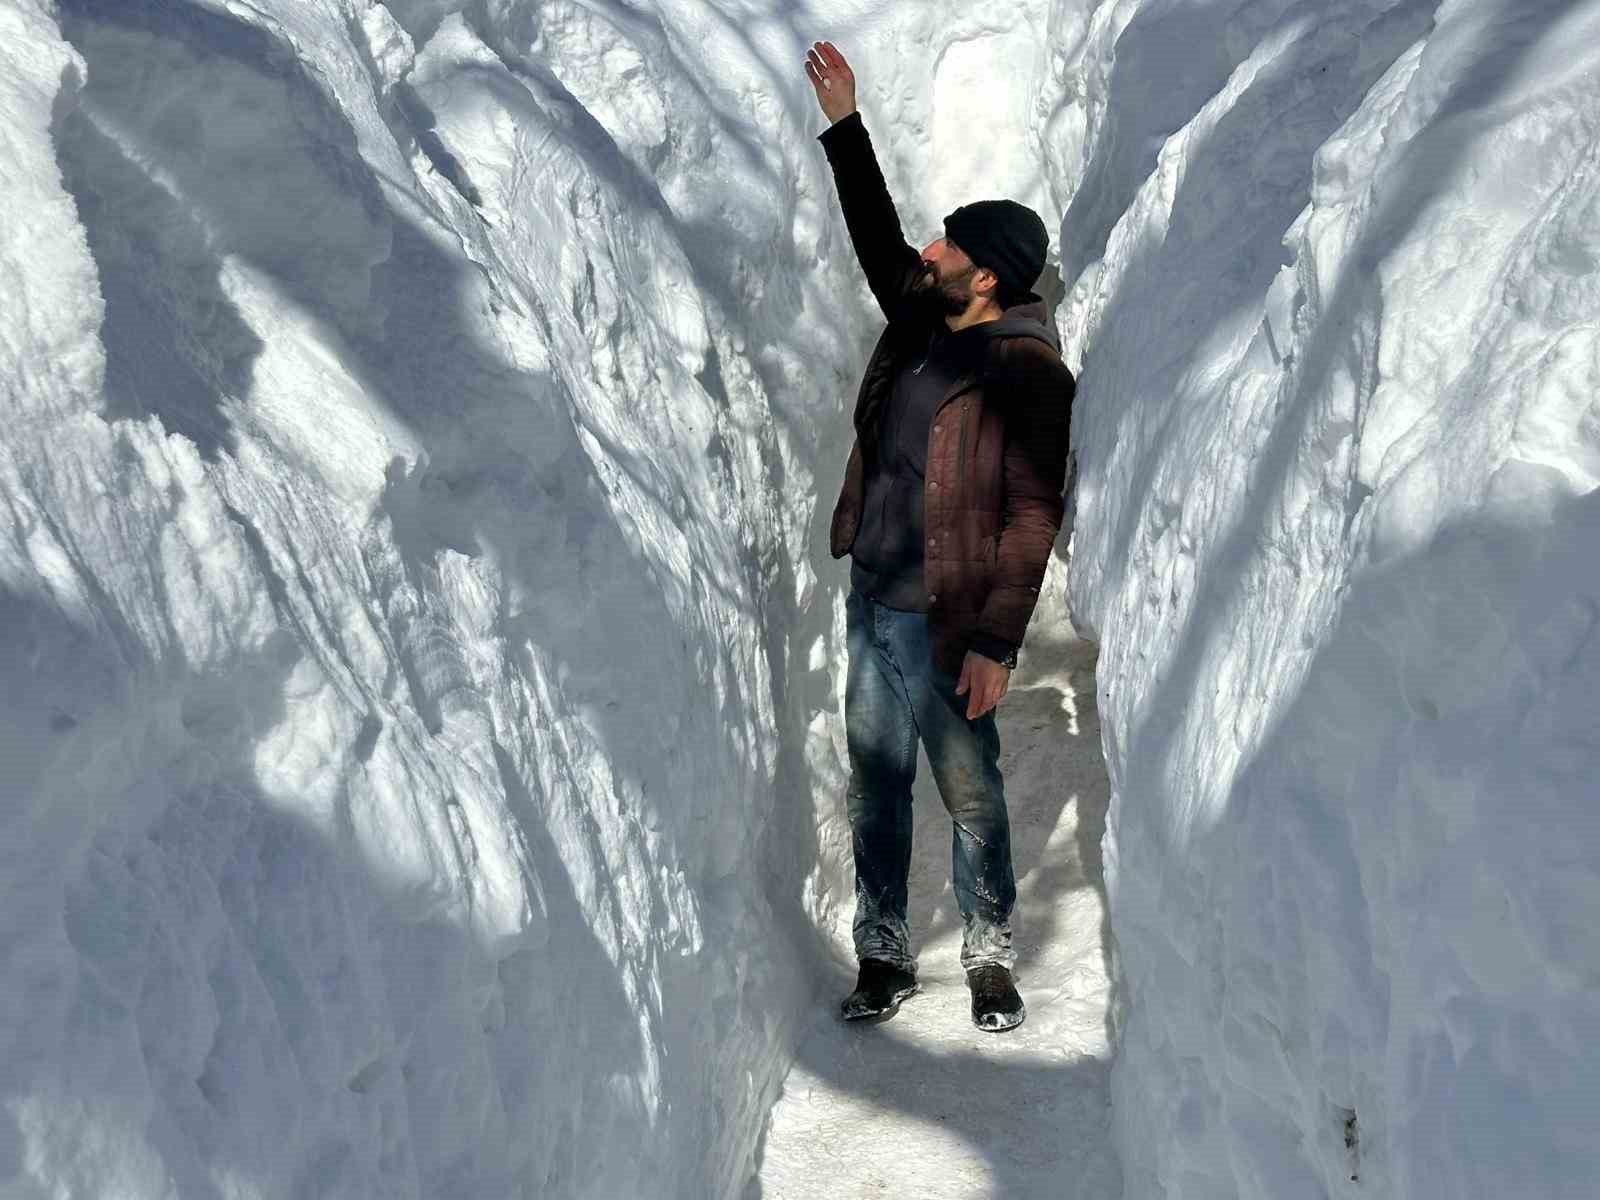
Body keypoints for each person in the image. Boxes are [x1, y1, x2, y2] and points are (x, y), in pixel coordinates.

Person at [804, 41, 1075, 1032]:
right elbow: (881, 243)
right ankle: (882, 952)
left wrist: (1000, 643)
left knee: (967, 790)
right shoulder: (924, 319)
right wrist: (846, 128)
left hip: (948, 620)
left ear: (989, 277)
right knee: (876, 787)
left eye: (949, 246)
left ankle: (991, 950)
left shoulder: (1027, 373)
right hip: (873, 593)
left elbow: (1033, 514)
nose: (930, 250)